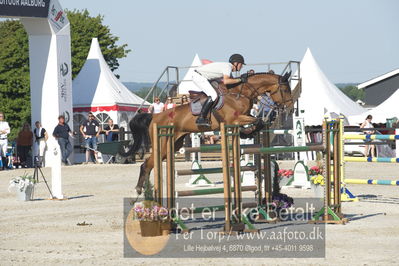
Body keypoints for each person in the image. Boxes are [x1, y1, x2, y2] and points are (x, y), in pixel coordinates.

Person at [192, 54, 246, 126]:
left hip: (203, 77)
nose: (242, 66)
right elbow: (226, 81)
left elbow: (231, 82)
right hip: (199, 77)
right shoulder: (228, 67)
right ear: (236, 63)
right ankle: (201, 118)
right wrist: (240, 80)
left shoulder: (228, 68)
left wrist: (241, 79)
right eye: (241, 64)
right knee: (213, 95)